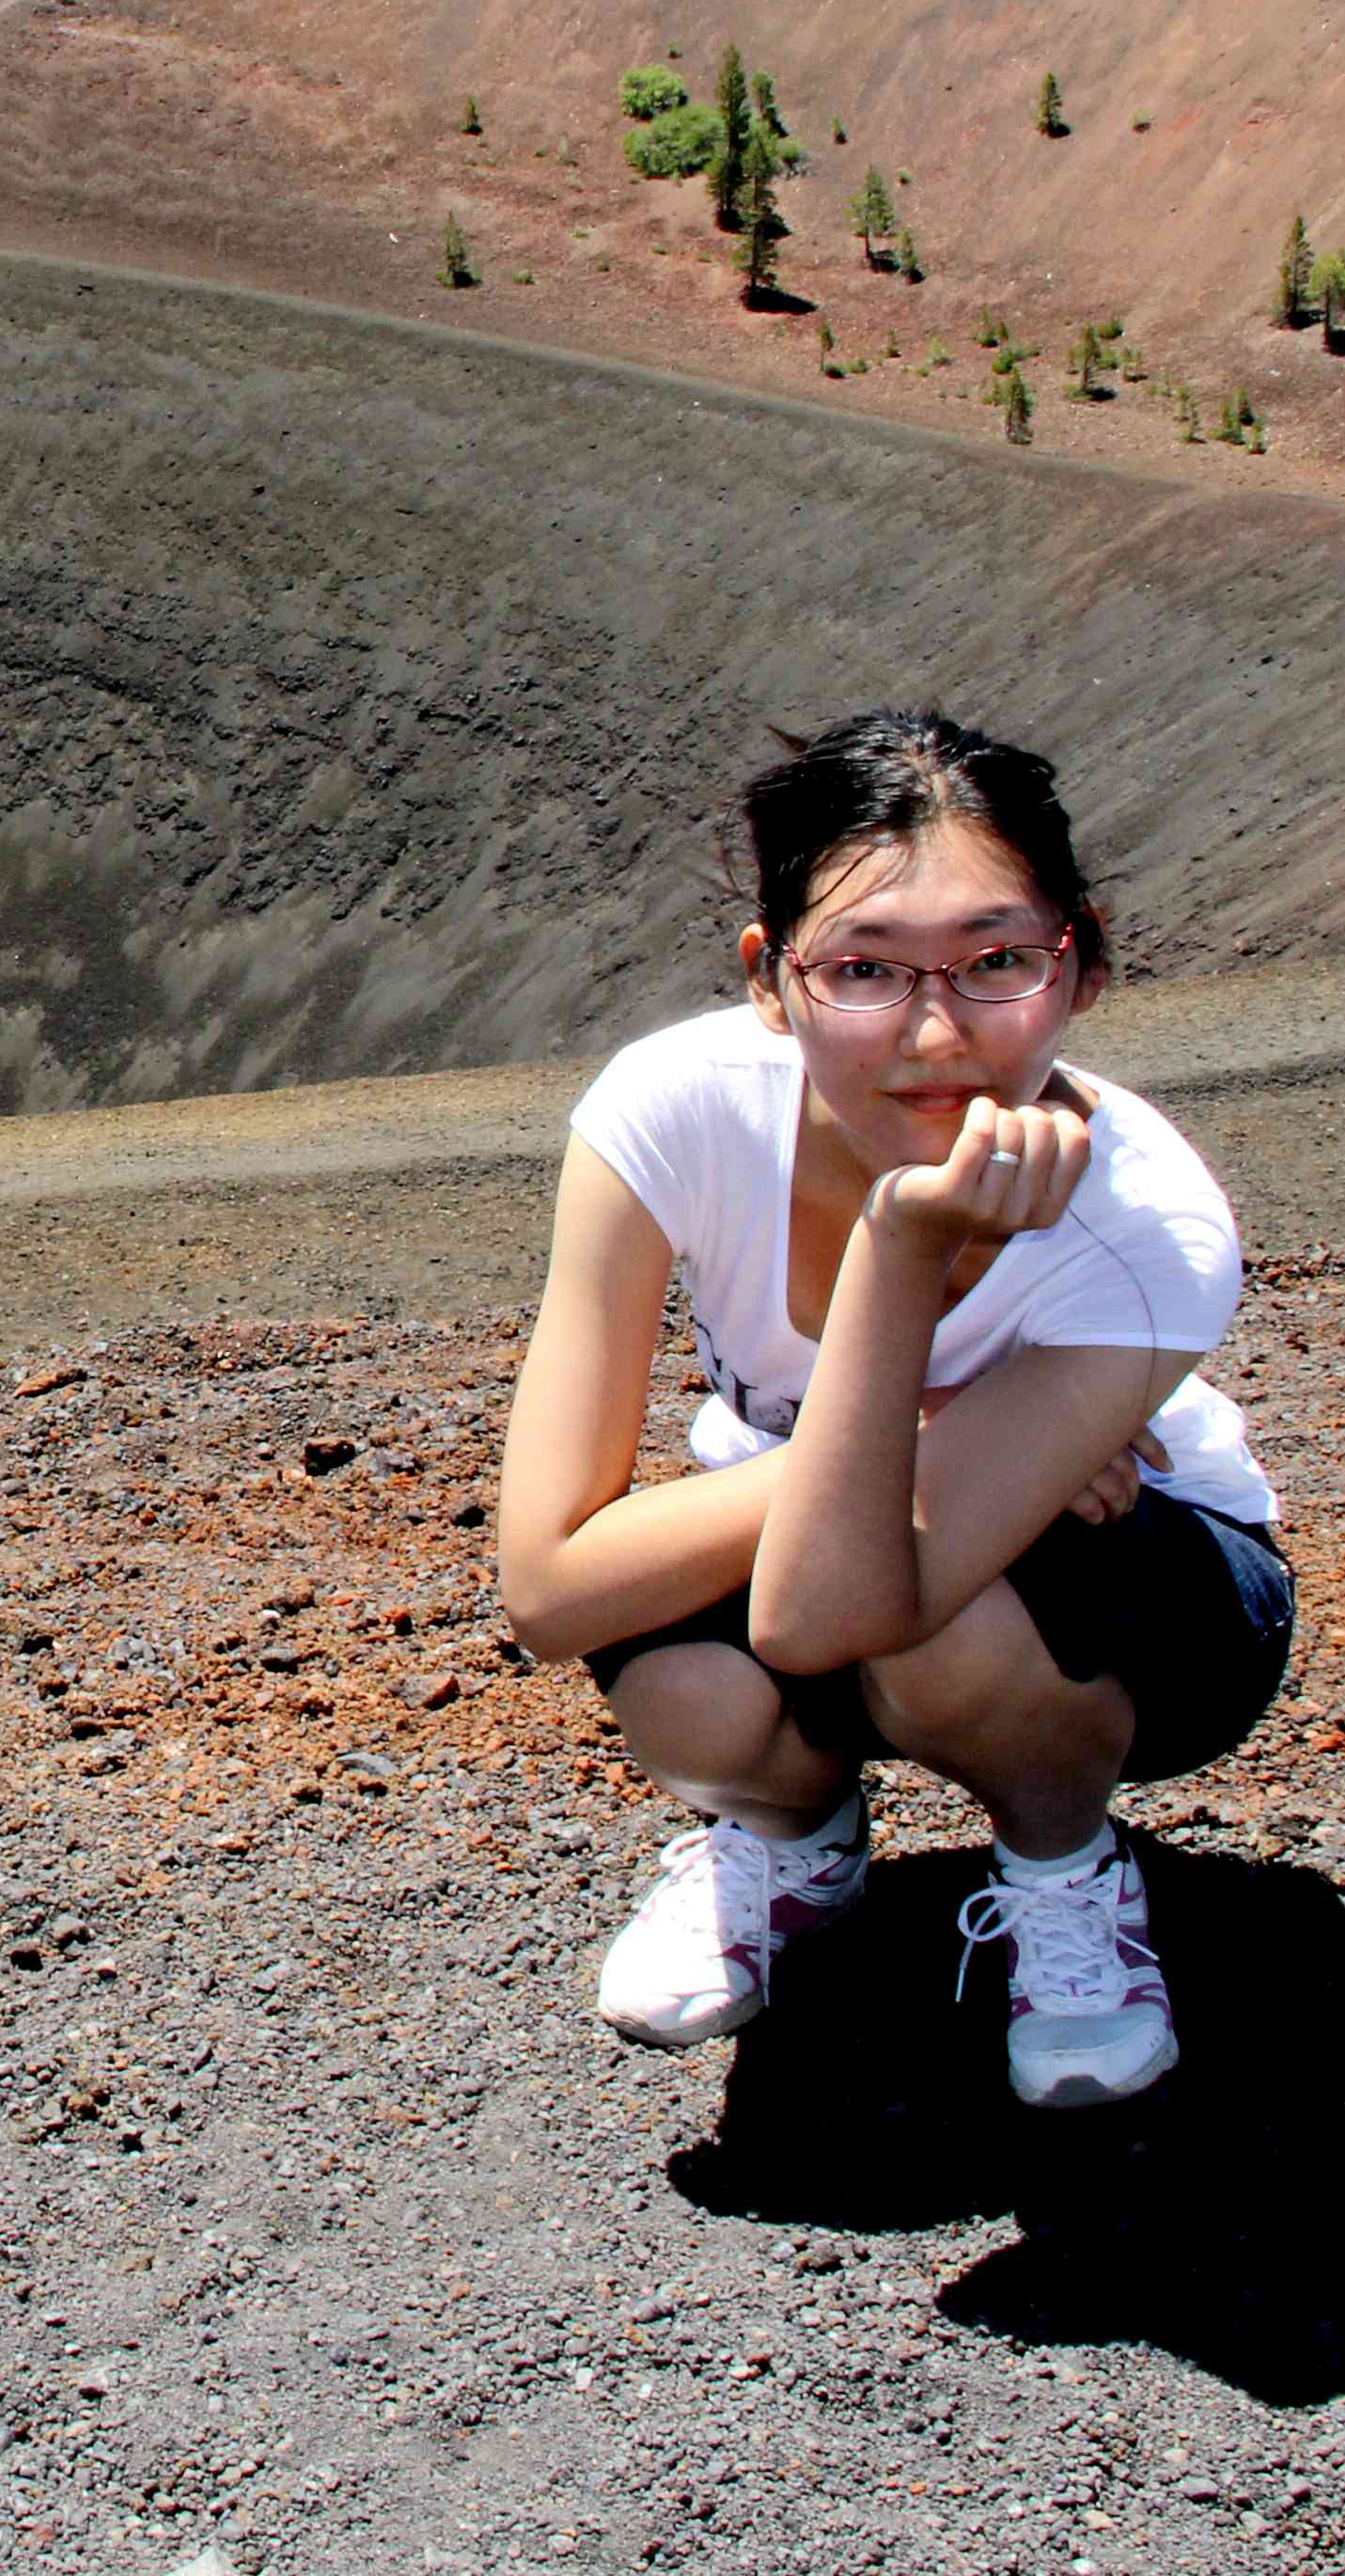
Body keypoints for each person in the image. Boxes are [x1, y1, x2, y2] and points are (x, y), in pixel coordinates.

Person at [491, 711, 1290, 2106]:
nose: (935, 1035)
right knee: (683, 1689)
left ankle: (1061, 1867)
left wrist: (898, 1250)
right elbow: (550, 1590)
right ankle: (793, 1844)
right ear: (770, 980)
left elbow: (824, 1618)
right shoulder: (668, 1113)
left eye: (995, 963)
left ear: (1082, 963)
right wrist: (928, 1428)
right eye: (864, 970)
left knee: (941, 1621)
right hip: (825, 1554)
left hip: (1153, 1602)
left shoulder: (1149, 1225)